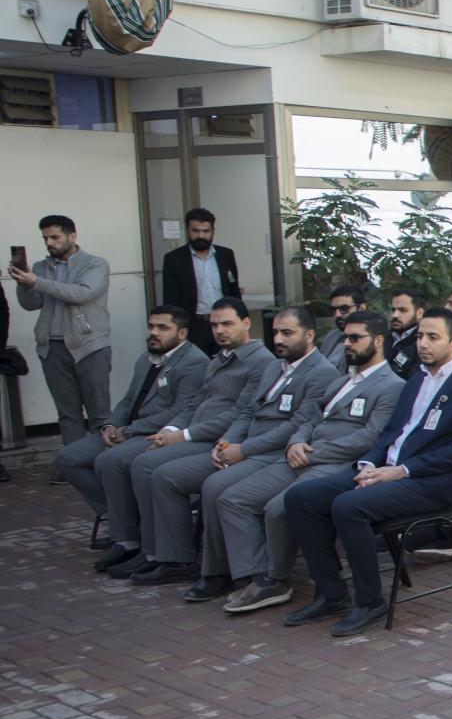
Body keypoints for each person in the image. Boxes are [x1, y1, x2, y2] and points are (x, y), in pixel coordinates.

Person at [280, 307, 452, 636]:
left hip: (429, 484)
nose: (423, 344)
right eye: (420, 336)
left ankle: (370, 602)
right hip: (386, 471)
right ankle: (332, 594)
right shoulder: (417, 378)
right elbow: (390, 433)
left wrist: (401, 471)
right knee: (301, 498)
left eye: (433, 337)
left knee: (348, 506)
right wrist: (368, 464)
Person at [215, 309, 404, 615]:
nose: (347, 344)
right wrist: (296, 442)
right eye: (345, 338)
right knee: (233, 498)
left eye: (355, 338)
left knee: (277, 508)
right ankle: (257, 575)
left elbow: (370, 438)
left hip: (336, 463)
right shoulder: (341, 381)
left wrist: (312, 452)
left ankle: (275, 578)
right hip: (301, 456)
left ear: (378, 341)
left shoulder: (392, 385)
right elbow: (310, 418)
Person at [148, 306, 338, 590]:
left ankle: (226, 572)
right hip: (245, 446)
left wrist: (243, 449)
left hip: (274, 453)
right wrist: (225, 441)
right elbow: (248, 411)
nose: (278, 339)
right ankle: (202, 566)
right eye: (275, 332)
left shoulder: (323, 373)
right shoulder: (274, 367)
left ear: (309, 335)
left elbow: (295, 426)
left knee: (216, 487)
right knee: (172, 476)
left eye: (287, 333)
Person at [102, 300, 275, 580]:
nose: (220, 330)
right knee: (139, 461)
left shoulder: (261, 362)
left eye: (227, 323)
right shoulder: (220, 357)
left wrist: (183, 435)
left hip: (222, 441)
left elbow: (239, 414)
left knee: (151, 468)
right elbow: (196, 403)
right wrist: (172, 429)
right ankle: (152, 551)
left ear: (246, 323)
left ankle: (173, 557)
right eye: (215, 325)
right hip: (196, 434)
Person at [57, 306, 201, 541]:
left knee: (109, 460)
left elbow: (180, 412)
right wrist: (110, 425)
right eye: (151, 326)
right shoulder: (146, 358)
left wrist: (129, 431)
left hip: (157, 433)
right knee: (67, 458)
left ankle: (125, 536)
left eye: (163, 328)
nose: (154, 333)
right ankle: (126, 516)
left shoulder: (195, 362)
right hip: (127, 430)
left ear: (182, 333)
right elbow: (128, 400)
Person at [10, 214, 113, 450]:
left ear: (72, 236)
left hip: (90, 345)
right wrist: (23, 284)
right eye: (45, 238)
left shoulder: (95, 264)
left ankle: (104, 460)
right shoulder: (40, 267)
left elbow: (81, 293)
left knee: (99, 413)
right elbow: (31, 304)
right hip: (52, 348)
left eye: (55, 237)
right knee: (68, 414)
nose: (49, 243)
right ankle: (73, 462)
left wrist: (37, 282)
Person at [159, 208, 241, 356]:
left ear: (213, 231)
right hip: (194, 325)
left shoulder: (226, 255)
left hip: (224, 323)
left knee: (228, 364)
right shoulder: (174, 259)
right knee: (197, 366)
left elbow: (233, 289)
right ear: (187, 230)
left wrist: (238, 319)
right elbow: (170, 298)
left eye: (206, 231)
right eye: (195, 231)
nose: (201, 235)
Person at [319, 284, 367, 362]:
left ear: (361, 308)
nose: (337, 315)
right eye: (333, 310)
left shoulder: (372, 340)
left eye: (344, 309)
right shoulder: (331, 336)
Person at [385, 290, 425, 378]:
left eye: (403, 310)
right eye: (393, 310)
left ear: (419, 313)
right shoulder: (382, 337)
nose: (395, 315)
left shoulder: (423, 344)